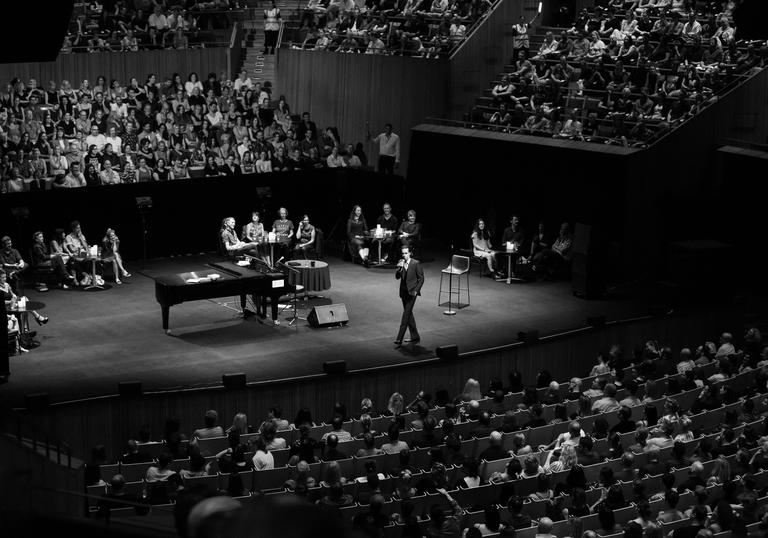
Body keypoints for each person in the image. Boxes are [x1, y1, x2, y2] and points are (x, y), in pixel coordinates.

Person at [394, 245, 424, 347]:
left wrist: (416, 290)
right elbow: (397, 277)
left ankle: (399, 338)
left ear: (410, 253)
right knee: (409, 314)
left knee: (406, 315)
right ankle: (415, 336)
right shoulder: (401, 263)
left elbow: (421, 278)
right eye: (403, 253)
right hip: (403, 293)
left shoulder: (416, 263)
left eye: (406, 253)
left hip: (412, 293)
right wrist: (399, 268)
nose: (404, 255)